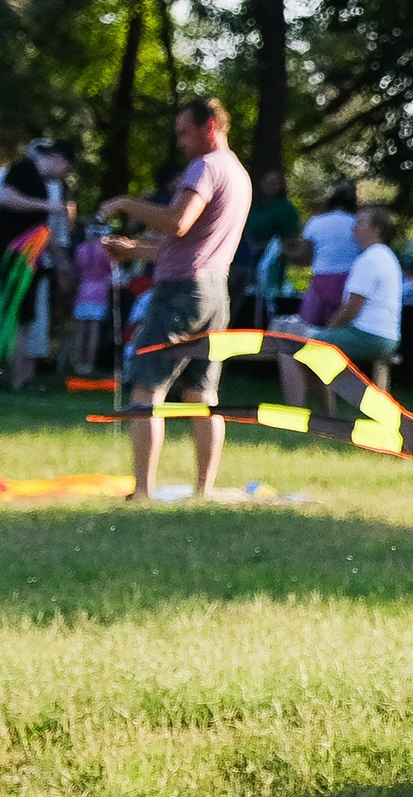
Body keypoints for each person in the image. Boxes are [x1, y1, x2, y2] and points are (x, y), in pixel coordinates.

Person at [98, 99, 252, 501]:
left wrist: (125, 203)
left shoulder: (206, 167)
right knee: (203, 396)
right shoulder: (239, 174)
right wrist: (134, 250)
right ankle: (204, 492)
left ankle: (144, 493)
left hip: (180, 293)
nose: (181, 142)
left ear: (212, 125)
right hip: (216, 293)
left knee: (147, 389)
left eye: (186, 132)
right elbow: (192, 243)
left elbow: (177, 223)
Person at [275, 206, 404, 406]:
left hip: (369, 336)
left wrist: (325, 332)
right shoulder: (384, 255)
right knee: (315, 347)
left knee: (289, 345)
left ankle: (295, 413)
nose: (354, 228)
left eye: (361, 222)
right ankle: (326, 414)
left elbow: (351, 309)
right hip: (383, 336)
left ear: (376, 229)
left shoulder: (369, 260)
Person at [0, 139, 72, 388]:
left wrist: (59, 260)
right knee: (5, 315)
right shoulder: (23, 170)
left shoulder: (43, 184)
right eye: (66, 168)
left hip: (31, 261)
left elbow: (42, 228)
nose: (63, 175)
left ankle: (19, 380)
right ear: (58, 159)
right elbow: (6, 198)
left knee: (24, 320)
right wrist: (49, 206)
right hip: (12, 259)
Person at [232, 168, 302, 327]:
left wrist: (267, 247)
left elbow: (291, 240)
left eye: (275, 182)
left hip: (271, 264)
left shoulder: (285, 208)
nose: (270, 185)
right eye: (267, 181)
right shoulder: (254, 206)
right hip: (243, 261)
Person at [288, 183, 360, 327]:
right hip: (350, 283)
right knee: (339, 328)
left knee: (309, 328)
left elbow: (305, 255)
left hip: (321, 279)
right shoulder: (358, 224)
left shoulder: (316, 222)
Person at [65, 221, 114, 376]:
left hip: (84, 289)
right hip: (100, 290)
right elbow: (111, 270)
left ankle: (77, 362)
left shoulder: (82, 249)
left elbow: (77, 269)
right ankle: (88, 364)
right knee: (94, 330)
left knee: (80, 329)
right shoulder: (106, 250)